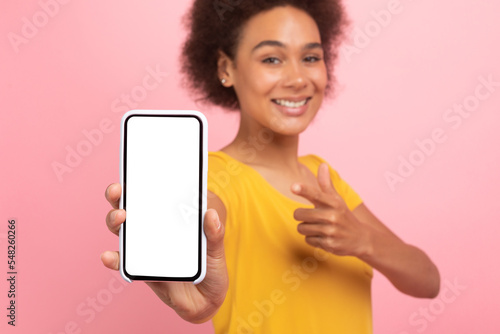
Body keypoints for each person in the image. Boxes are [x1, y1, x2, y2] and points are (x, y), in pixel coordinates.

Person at [101, 0, 440, 332]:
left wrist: (362, 240)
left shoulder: (324, 178)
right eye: (272, 59)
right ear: (225, 69)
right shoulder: (216, 178)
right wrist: (178, 242)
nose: (297, 78)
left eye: (310, 57)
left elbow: (428, 281)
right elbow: (205, 212)